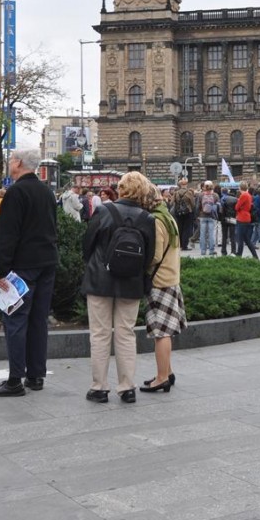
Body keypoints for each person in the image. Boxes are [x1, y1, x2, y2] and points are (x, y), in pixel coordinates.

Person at [0, 149, 58, 397]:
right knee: (39, 320)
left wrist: (0, 271)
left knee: (15, 320)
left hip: (22, 267)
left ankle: (15, 379)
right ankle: (36, 375)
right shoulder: (47, 191)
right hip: (46, 263)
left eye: (10, 160)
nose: (9, 163)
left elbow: (7, 235)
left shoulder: (15, 192)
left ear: (17, 163)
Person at [82, 172, 156, 404]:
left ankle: (99, 388)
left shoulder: (104, 211)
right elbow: (149, 256)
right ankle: (127, 388)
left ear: (121, 189)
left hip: (99, 280)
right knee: (126, 333)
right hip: (131, 282)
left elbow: (87, 244)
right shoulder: (147, 218)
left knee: (100, 334)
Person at [139, 183, 186, 394]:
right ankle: (167, 371)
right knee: (165, 330)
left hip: (160, 280)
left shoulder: (157, 220)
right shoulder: (168, 216)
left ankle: (162, 377)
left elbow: (155, 255)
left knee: (161, 332)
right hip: (171, 277)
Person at [233, 182, 258, 260]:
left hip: (242, 217)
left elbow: (236, 207)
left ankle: (239, 256)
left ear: (240, 188)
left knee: (240, 238)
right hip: (247, 217)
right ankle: (255, 256)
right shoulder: (249, 195)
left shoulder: (243, 195)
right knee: (247, 239)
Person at [171, 178, 196, 250]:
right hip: (187, 212)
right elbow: (193, 204)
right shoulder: (189, 192)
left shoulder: (176, 193)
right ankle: (185, 245)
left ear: (180, 185)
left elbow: (172, 202)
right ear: (186, 185)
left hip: (178, 212)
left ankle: (180, 244)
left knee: (180, 228)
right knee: (186, 229)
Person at [197, 181, 219, 256]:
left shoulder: (201, 195)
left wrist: (197, 215)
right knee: (211, 234)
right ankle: (211, 250)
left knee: (202, 234)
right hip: (212, 216)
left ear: (204, 186)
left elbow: (198, 206)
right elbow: (218, 206)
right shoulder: (215, 195)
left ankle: (203, 251)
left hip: (202, 216)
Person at [218, 189, 238, 255]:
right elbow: (237, 210)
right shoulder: (236, 200)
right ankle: (233, 251)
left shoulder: (223, 199)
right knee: (233, 236)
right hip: (232, 218)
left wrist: (221, 218)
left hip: (224, 219)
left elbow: (221, 210)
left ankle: (223, 251)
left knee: (224, 236)